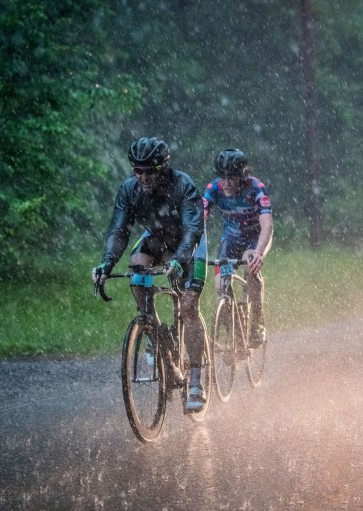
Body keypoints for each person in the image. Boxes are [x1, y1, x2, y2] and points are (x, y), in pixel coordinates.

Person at [91, 137, 208, 412]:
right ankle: (152, 328)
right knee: (136, 267)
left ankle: (195, 379)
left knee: (188, 306)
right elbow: (119, 231)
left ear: (163, 168)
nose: (142, 177)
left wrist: (179, 260)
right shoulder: (129, 190)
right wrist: (106, 265)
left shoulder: (183, 185)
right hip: (157, 238)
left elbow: (193, 229)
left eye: (148, 171)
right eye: (137, 170)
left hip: (189, 242)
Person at [203, 149, 273, 347]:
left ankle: (258, 321)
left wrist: (259, 253)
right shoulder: (213, 188)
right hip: (231, 239)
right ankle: (234, 332)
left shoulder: (255, 188)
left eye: (231, 178)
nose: (226, 183)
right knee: (220, 285)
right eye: (222, 177)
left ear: (242, 176)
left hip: (255, 238)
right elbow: (200, 217)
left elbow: (267, 225)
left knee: (251, 266)